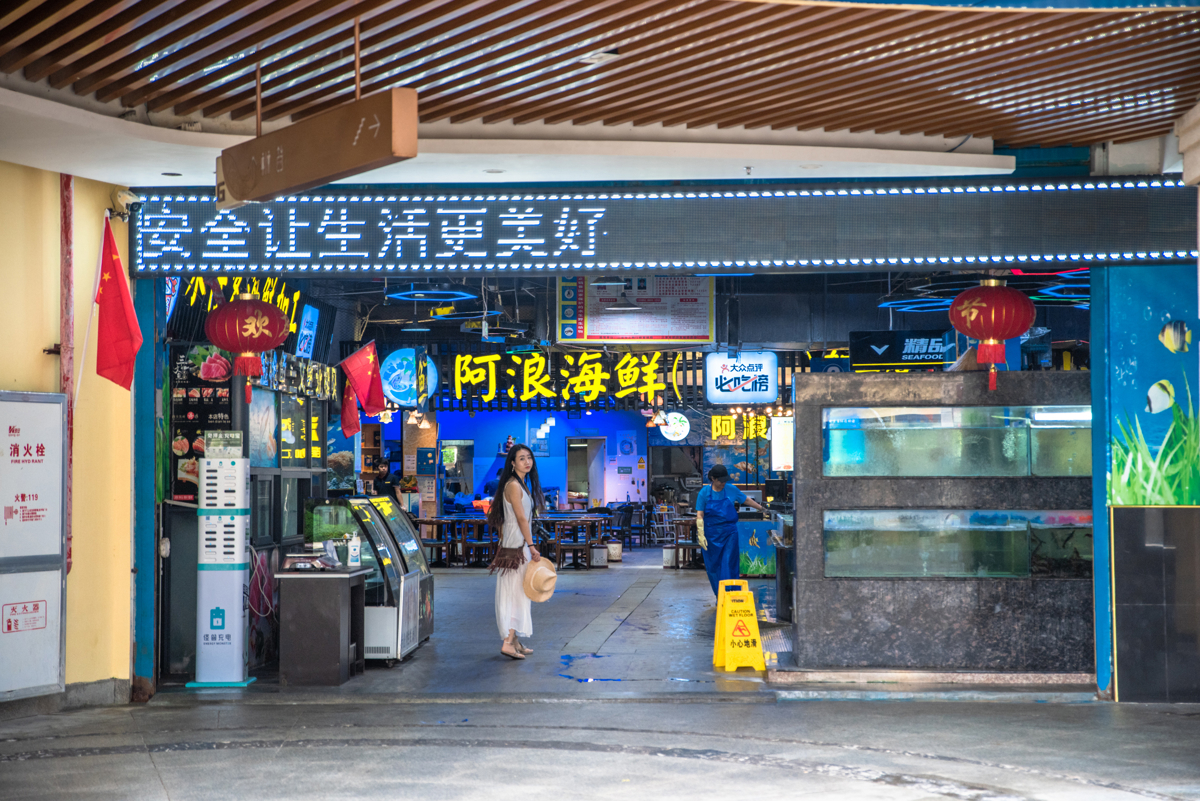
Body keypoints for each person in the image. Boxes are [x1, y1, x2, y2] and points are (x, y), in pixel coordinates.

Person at [486, 444, 544, 660]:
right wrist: (531, 545)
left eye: (529, 457)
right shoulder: (513, 485)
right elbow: (520, 518)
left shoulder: (519, 484)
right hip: (518, 547)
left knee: (519, 591)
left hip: (515, 545)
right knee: (516, 593)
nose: (527, 461)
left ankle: (515, 639)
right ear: (512, 463)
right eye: (521, 458)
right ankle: (508, 642)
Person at [695, 464, 768, 596]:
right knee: (713, 567)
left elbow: (746, 500)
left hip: (729, 534)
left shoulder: (731, 490)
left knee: (729, 564)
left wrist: (762, 509)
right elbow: (700, 515)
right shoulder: (704, 493)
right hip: (711, 535)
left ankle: (731, 595)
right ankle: (720, 596)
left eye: (725, 480)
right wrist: (700, 533)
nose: (723, 483)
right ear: (713, 478)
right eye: (720, 480)